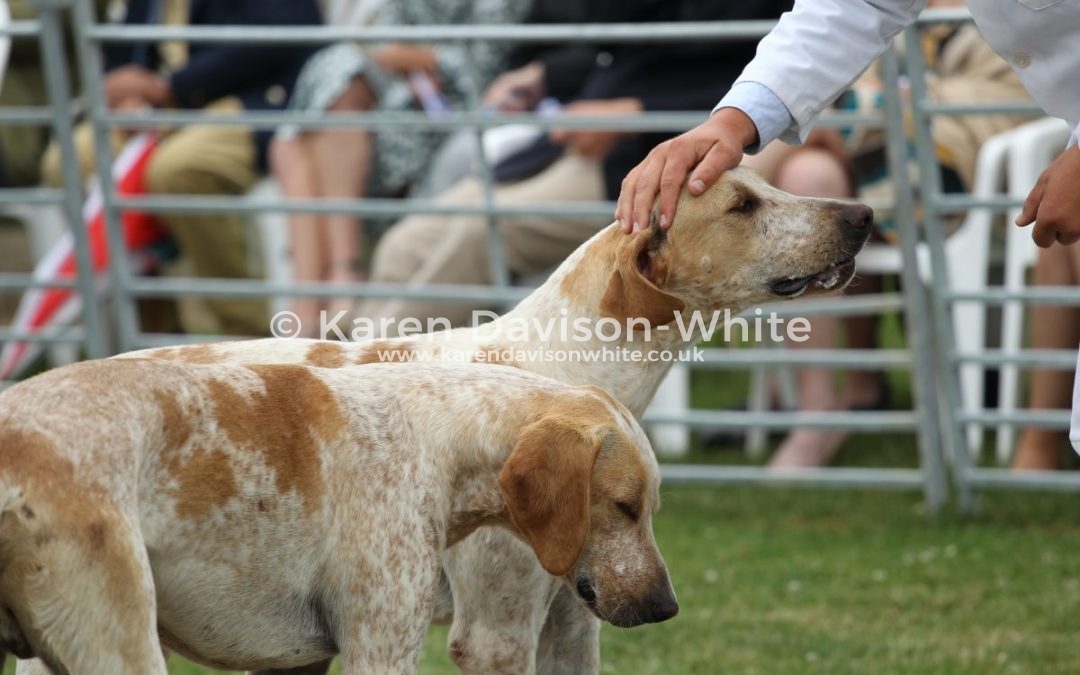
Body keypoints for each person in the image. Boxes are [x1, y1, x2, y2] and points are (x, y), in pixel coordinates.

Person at [615, 0, 1080, 459]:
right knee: (811, 173)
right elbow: (850, 7)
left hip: (953, 153)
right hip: (876, 148)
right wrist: (734, 121)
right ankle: (812, 401)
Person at [356, 0, 794, 331]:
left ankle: (372, 382)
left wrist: (636, 112)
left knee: (482, 229)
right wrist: (543, 77)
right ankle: (346, 361)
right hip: (576, 141)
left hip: (657, 163)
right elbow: (613, 44)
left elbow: (766, 77)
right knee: (407, 240)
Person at [41, 0, 321, 336]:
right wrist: (122, 93)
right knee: (69, 160)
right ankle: (145, 331)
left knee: (179, 169)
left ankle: (244, 331)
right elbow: (120, 48)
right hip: (159, 107)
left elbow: (277, 36)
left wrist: (169, 87)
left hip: (248, 100)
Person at [269, 0, 531, 337]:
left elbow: (481, 66)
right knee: (299, 128)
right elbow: (384, 44)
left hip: (461, 107)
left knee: (293, 144)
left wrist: (418, 58)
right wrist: (412, 60)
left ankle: (313, 306)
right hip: (405, 92)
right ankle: (330, 286)